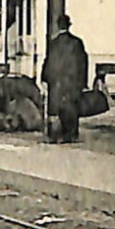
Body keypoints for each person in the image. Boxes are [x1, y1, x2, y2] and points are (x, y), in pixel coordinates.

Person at [41, 13, 89, 143]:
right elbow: (83, 63)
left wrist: (45, 79)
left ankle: (56, 134)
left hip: (57, 82)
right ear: (69, 26)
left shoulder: (54, 44)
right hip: (72, 82)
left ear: (58, 26)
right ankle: (71, 135)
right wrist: (83, 82)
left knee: (57, 108)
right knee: (72, 108)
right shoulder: (77, 43)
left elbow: (48, 62)